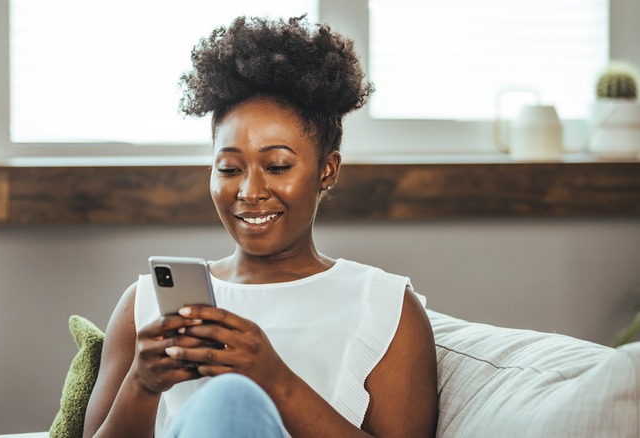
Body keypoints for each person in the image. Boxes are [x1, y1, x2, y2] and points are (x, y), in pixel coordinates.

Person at [83, 15, 438, 437]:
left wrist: (275, 381)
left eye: (278, 165)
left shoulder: (384, 307)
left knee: (231, 398)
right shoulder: (142, 306)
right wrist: (141, 386)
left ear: (327, 170)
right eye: (229, 168)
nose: (250, 191)